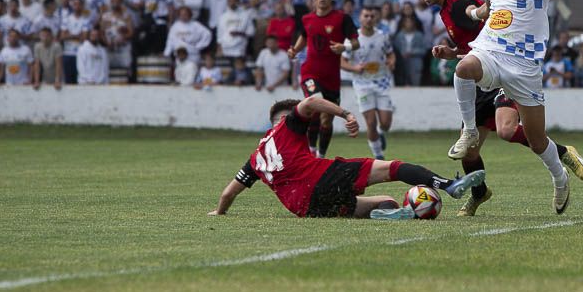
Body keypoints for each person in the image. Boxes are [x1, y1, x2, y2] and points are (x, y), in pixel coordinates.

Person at [411, 0, 583, 217]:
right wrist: (453, 53)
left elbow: (480, 17)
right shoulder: (445, 8)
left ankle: (561, 152)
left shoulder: (459, 3)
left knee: (507, 130)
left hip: (500, 71)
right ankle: (480, 194)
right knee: (469, 153)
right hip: (481, 78)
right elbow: (479, 41)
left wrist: (478, 12)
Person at [208, 97, 485, 220]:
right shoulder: (288, 124)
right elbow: (312, 101)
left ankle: (400, 214)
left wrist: (219, 212)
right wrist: (346, 115)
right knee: (393, 168)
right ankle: (447, 184)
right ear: (284, 119)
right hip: (320, 179)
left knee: (385, 202)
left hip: (304, 207)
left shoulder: (255, 158)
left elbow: (228, 193)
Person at [286, 0, 359, 157]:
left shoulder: (342, 18)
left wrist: (345, 48)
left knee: (326, 120)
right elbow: (304, 36)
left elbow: (356, 43)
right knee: (315, 105)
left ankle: (321, 156)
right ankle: (311, 152)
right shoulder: (306, 19)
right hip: (310, 73)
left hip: (332, 79)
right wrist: (295, 49)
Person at [341, 6, 397, 160]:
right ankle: (379, 156)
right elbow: (342, 61)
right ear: (360, 18)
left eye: (372, 16)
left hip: (382, 83)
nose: (369, 19)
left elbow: (391, 54)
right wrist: (354, 68)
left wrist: (391, 62)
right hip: (362, 85)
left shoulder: (382, 36)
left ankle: (380, 133)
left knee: (385, 123)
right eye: (366, 16)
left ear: (376, 18)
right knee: (370, 122)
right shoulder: (352, 39)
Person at [32, 26, 64, 90]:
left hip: (59, 77)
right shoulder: (37, 47)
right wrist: (37, 81)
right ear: (40, 36)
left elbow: (58, 64)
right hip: (45, 77)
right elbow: (37, 65)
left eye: (47, 36)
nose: (45, 38)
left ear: (51, 36)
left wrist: (57, 80)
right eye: (43, 36)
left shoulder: (57, 46)